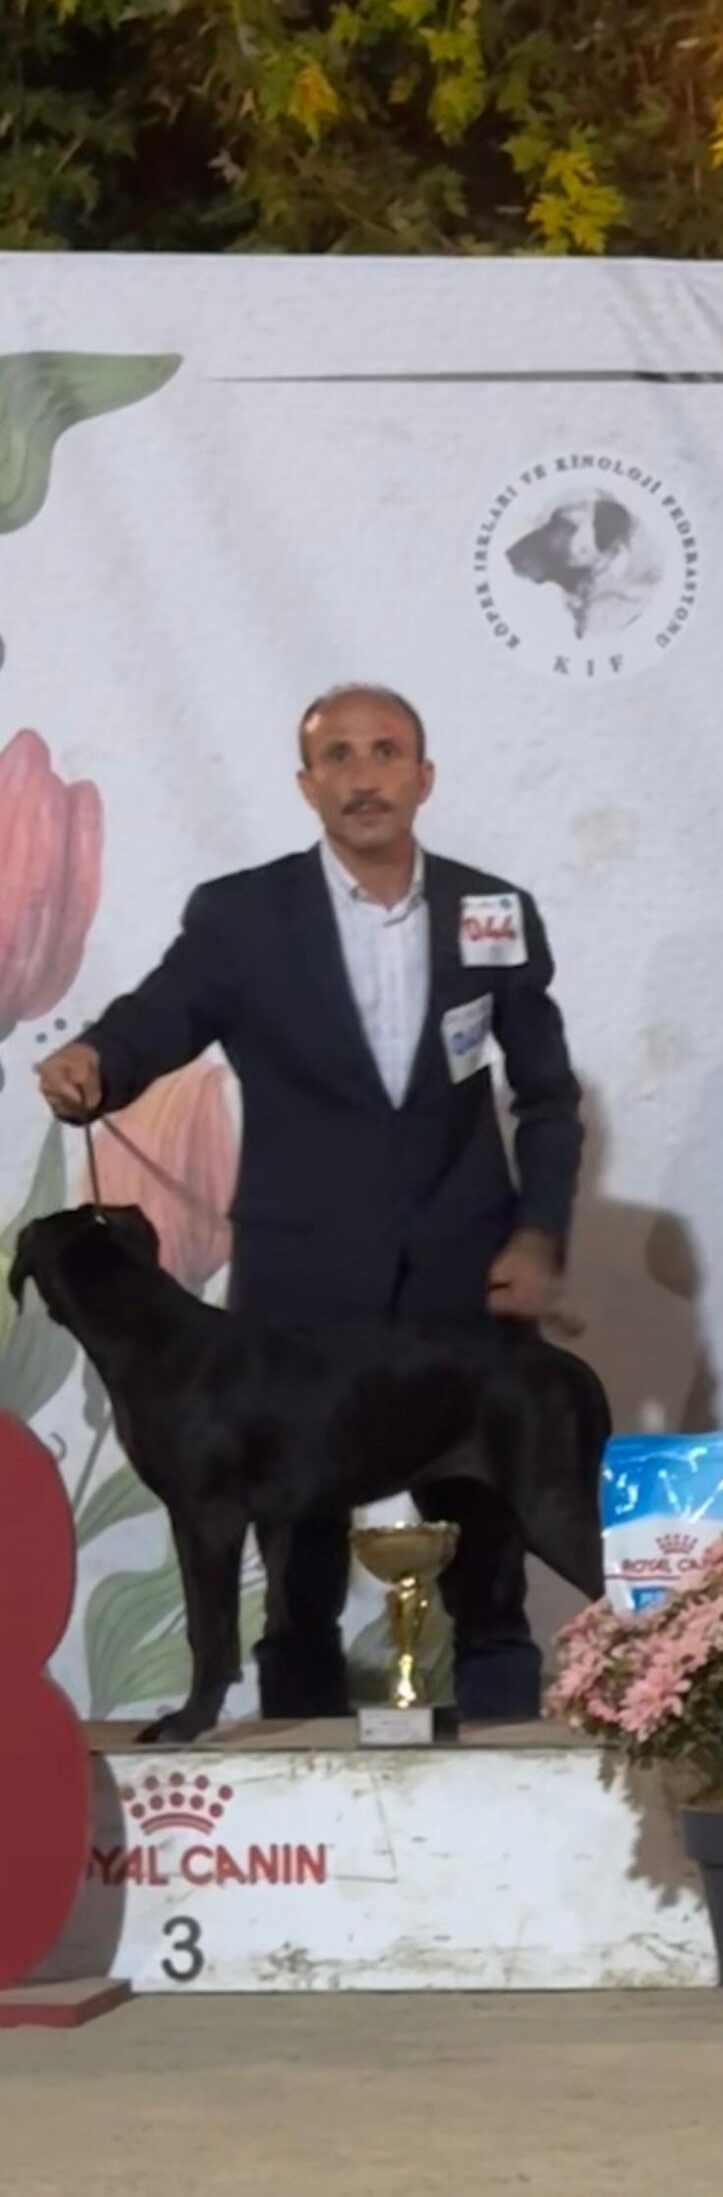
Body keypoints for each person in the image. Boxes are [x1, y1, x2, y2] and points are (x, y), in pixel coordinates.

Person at [36, 684, 583, 1722]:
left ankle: (509, 1741)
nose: (363, 776)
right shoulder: (242, 915)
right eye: (338, 757)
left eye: (386, 752)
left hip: (460, 1280)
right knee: (298, 1574)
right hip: (299, 1288)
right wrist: (98, 1059)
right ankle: (294, 1751)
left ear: (424, 776)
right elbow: (162, 1015)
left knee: (490, 1560)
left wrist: (540, 1232)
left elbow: (548, 1097)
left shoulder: (494, 912)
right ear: (306, 784)